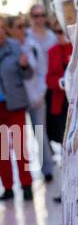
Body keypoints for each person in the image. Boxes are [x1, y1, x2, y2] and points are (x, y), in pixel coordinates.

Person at [0, 16, 34, 201]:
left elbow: (28, 74)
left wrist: (25, 65)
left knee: (20, 147)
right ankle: (8, 188)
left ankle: (26, 185)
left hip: (15, 105)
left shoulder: (15, 47)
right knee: (2, 151)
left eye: (2, 28)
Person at [24, 2, 57, 182]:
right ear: (31, 18)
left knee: (41, 130)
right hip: (23, 91)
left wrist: (43, 89)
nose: (39, 19)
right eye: (35, 15)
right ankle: (22, 179)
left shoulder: (52, 37)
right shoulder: (25, 36)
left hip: (44, 90)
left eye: (42, 15)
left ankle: (47, 168)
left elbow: (47, 67)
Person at [46, 24, 72, 151]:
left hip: (75, 99)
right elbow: (49, 79)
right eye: (57, 32)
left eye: (62, 31)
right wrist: (61, 83)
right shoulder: (52, 51)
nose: (59, 35)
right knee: (64, 138)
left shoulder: (76, 47)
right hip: (61, 102)